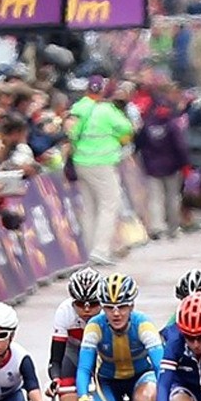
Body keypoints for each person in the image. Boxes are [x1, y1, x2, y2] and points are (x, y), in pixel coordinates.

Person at [76, 275, 164, 401]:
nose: (116, 313)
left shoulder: (144, 325)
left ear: (131, 305)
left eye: (122, 307)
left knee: (148, 399)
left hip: (140, 377)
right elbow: (84, 369)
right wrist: (83, 398)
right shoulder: (95, 327)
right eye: (109, 307)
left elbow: (161, 367)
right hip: (107, 382)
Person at [66, 72, 135, 265]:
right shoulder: (107, 110)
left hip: (81, 162)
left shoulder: (78, 107)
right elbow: (126, 128)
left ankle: (90, 251)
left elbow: (71, 132)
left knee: (89, 207)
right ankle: (101, 250)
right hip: (103, 162)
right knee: (109, 205)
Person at [51, 269, 105, 401]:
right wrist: (56, 379)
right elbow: (56, 359)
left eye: (93, 303)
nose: (86, 309)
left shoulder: (108, 312)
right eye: (80, 304)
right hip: (72, 359)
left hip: (101, 360)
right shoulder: (64, 311)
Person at [133, 81, 190, 241]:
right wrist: (185, 164)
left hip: (152, 168)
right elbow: (180, 146)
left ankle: (157, 227)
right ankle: (173, 228)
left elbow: (139, 143)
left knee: (155, 198)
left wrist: (142, 158)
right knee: (172, 198)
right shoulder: (173, 125)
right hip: (172, 168)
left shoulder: (147, 125)